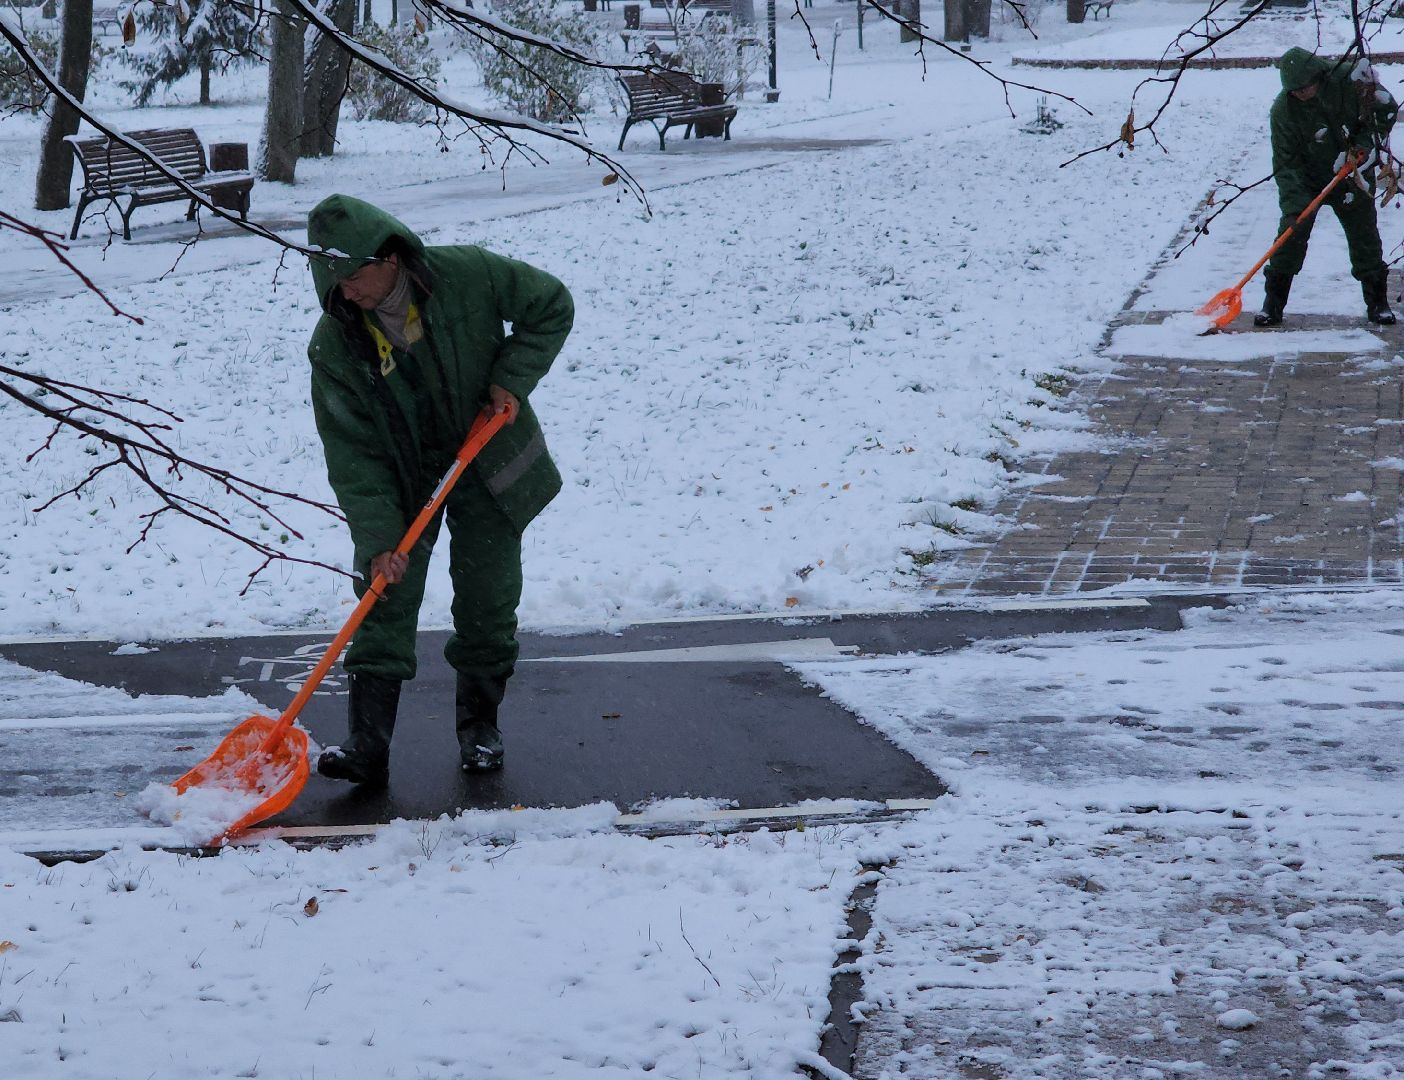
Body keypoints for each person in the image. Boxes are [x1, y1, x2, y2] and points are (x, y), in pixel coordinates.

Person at [304, 194, 572, 785]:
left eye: (350, 278)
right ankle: (367, 743)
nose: (345, 295)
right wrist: (379, 538)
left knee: (487, 591)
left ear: (389, 257)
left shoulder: (466, 275)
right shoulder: (335, 344)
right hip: (405, 472)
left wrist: (510, 379)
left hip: (487, 448)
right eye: (332, 286)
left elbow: (551, 304)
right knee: (383, 589)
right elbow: (353, 454)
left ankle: (480, 726)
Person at [1257, 47, 1398, 327]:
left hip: (1351, 173)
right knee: (1289, 235)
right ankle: (1273, 304)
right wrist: (1296, 208)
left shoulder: (1350, 80)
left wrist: (1364, 145)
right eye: (1294, 90)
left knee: (1364, 235)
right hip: (1308, 179)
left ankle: (1377, 302)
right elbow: (1285, 165)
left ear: (1318, 76)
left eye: (1305, 87)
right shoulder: (1283, 111)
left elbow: (1386, 109)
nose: (1300, 94)